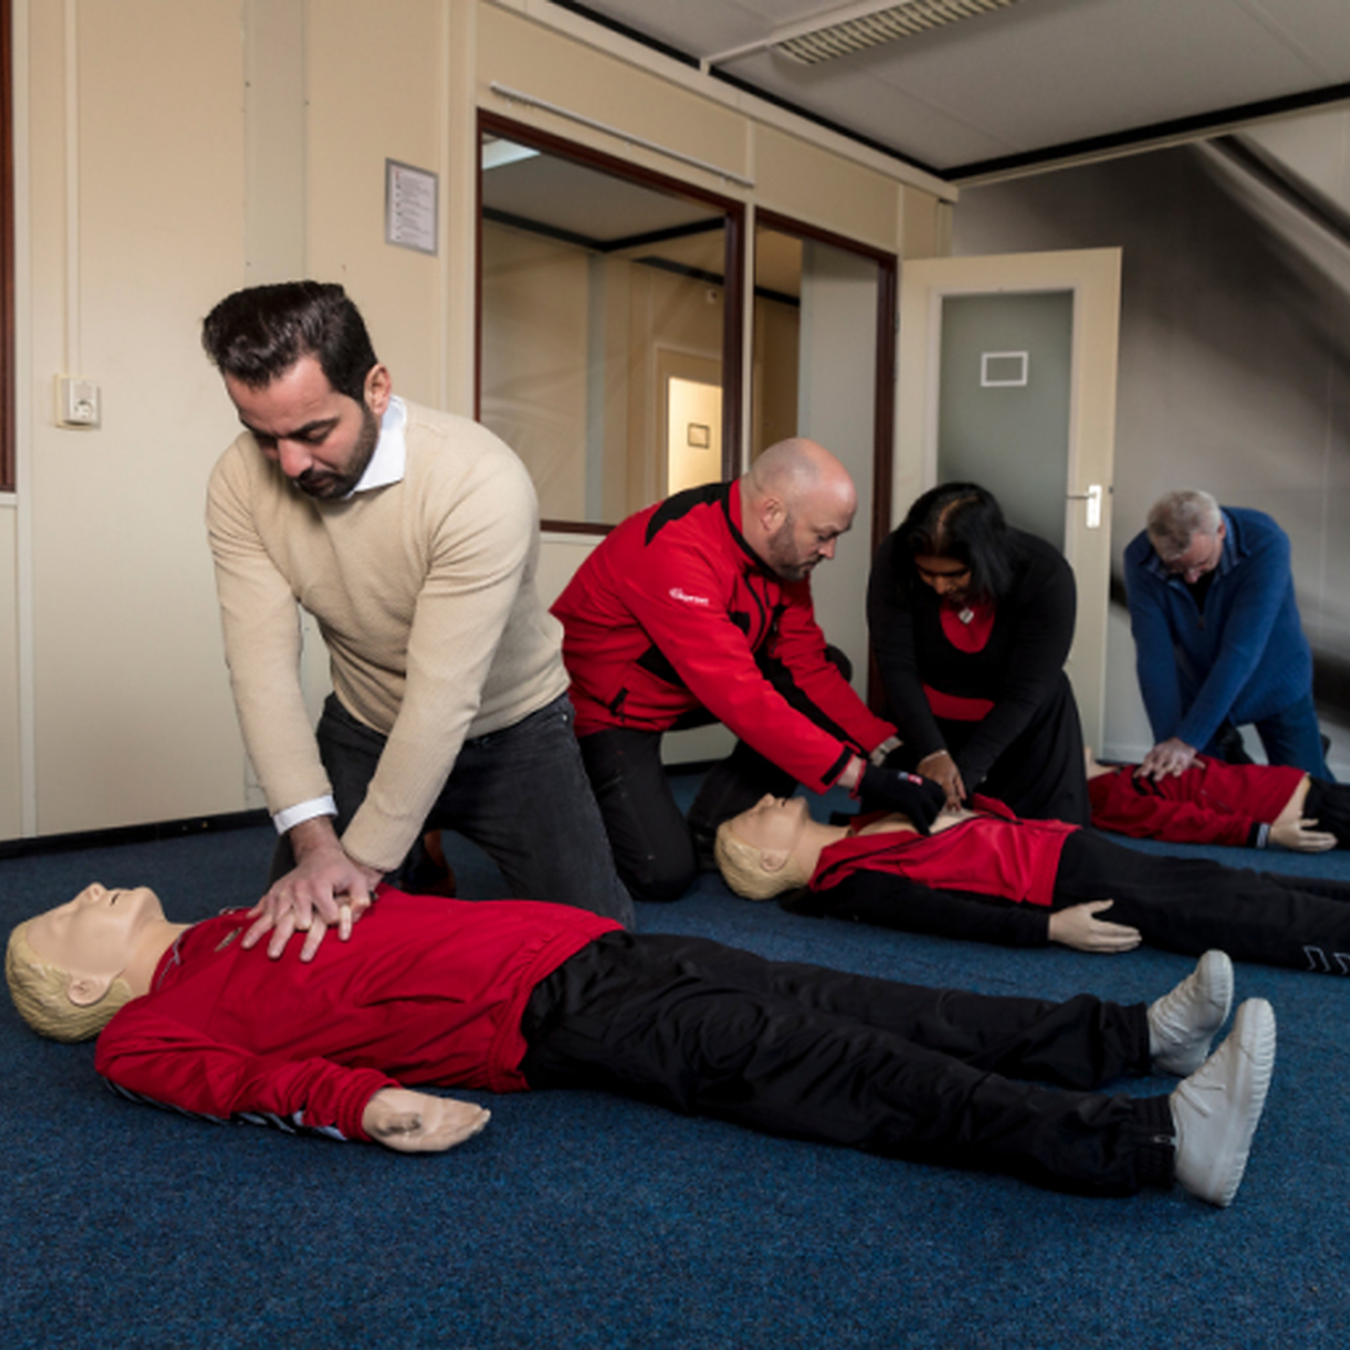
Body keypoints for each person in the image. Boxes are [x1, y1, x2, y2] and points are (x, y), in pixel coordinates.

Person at [6, 883, 1276, 1208]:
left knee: (860, 998)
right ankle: (1150, 1145)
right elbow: (247, 1084)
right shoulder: (146, 1033)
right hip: (553, 1019)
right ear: (77, 982)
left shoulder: (233, 918)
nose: (92, 890)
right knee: (829, 1064)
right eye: (68, 912)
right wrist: (363, 1106)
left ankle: (1125, 1037)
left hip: (586, 946)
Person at [201, 280, 632, 955]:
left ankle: (412, 839)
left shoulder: (478, 481)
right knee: (303, 947)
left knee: (598, 949)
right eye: (263, 437)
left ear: (376, 388)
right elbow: (261, 673)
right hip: (365, 723)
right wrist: (316, 847)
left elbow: (443, 696)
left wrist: (362, 864)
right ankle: (421, 852)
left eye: (314, 433)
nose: (289, 464)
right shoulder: (237, 482)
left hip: (511, 729)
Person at [551, 438, 936, 903]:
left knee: (829, 665)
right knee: (661, 875)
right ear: (772, 512)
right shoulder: (676, 550)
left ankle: (712, 828)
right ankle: (562, 801)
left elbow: (806, 666)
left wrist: (886, 751)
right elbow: (742, 699)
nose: (830, 551)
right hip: (607, 709)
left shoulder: (782, 554)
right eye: (823, 535)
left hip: (683, 689)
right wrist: (863, 779)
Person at [715, 791, 1350, 977]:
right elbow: (943, 916)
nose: (765, 799)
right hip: (1058, 884)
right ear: (769, 861)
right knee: (1225, 909)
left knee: (1218, 880)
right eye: (753, 815)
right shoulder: (847, 882)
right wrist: (1048, 928)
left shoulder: (854, 824)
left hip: (1062, 846)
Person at [867, 482, 1090, 826]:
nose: (939, 586)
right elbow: (896, 665)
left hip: (1021, 725)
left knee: (1039, 842)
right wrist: (932, 752)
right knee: (897, 837)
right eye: (927, 573)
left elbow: (1025, 692)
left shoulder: (1045, 574)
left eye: (954, 574)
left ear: (986, 557)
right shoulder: (894, 559)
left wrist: (965, 775)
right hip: (923, 722)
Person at [1123, 489, 1330, 782]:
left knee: (1307, 788)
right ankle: (1230, 749)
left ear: (1220, 530)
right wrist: (1170, 742)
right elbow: (1154, 656)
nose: (1191, 578)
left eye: (1201, 564)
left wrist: (1188, 739)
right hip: (1200, 685)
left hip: (1275, 679)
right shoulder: (1140, 558)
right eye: (1176, 568)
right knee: (1202, 786)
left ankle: (1306, 756)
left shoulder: (1265, 542)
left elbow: (1241, 651)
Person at [1086, 750, 1350, 852]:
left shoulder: (1113, 772)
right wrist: (1269, 835)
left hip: (1300, 787)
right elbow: (1185, 822)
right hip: (1309, 809)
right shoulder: (1110, 799)